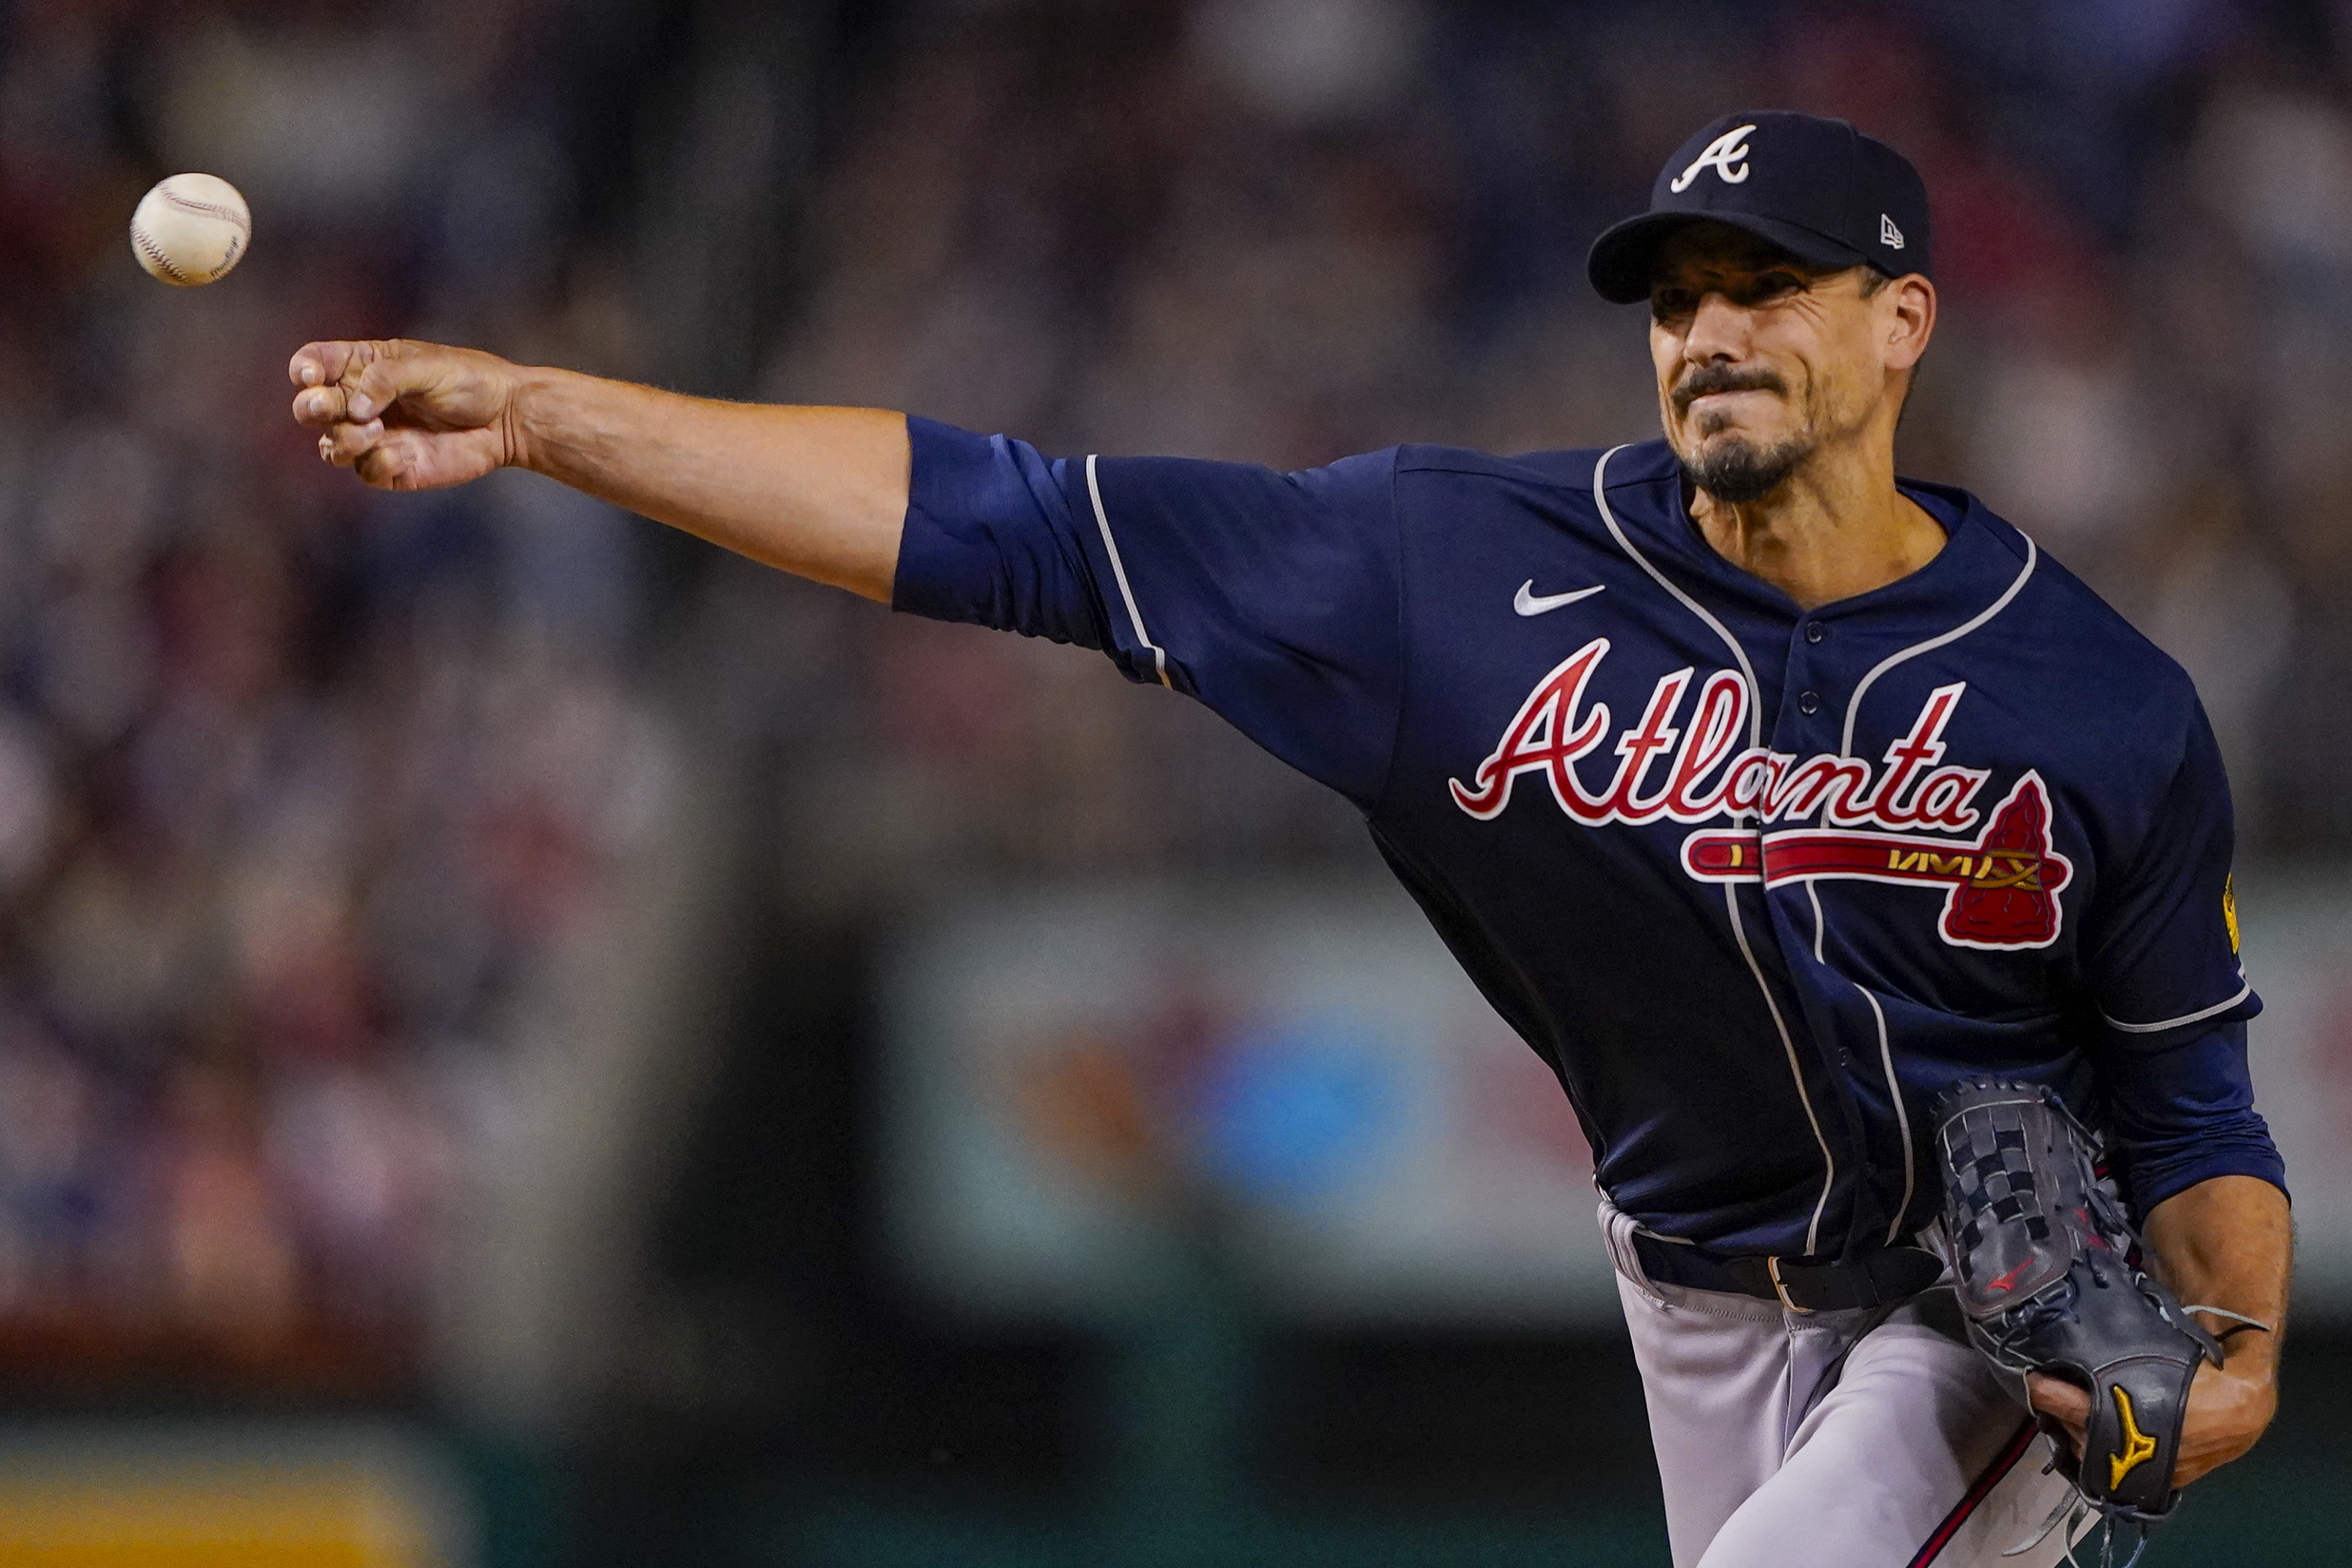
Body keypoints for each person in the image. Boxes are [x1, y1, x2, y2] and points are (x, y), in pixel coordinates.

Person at [290, 110, 2288, 1567]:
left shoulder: (2087, 695)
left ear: (1901, 323)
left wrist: (2240, 1365)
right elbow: (1005, 520)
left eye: (1768, 285)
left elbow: (2189, 1107)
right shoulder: (1441, 571)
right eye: (1677, 296)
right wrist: (554, 417)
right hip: (1685, 1293)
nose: (1710, 330)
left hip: (1963, 1304)